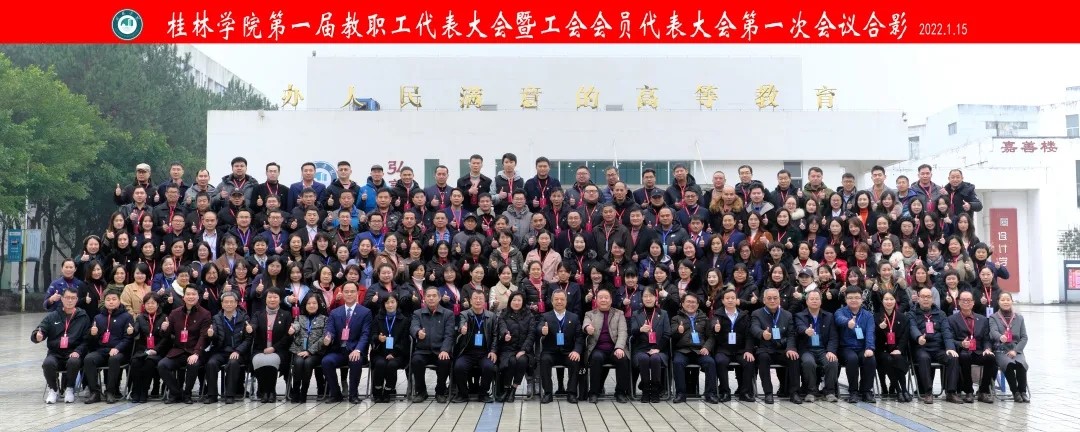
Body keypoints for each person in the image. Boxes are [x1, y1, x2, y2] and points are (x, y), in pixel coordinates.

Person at [33, 286, 91, 404]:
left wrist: (78, 351)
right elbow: (40, 329)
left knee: (73, 361)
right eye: (67, 297)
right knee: (48, 363)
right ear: (62, 299)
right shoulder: (53, 316)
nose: (70, 300)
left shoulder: (83, 317)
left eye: (73, 298)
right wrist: (38, 336)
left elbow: (86, 340)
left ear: (77, 300)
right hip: (55, 352)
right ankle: (53, 389)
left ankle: (69, 389)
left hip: (73, 351)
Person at [158, 285, 212, 404]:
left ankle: (187, 394)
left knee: (193, 364)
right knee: (162, 365)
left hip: (194, 351)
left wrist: (196, 353)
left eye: (193, 294)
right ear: (183, 296)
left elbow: (203, 336)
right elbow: (166, 334)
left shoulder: (205, 314)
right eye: (188, 294)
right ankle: (177, 393)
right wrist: (164, 329)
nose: (190, 297)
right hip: (178, 350)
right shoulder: (175, 313)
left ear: (198, 296)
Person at [908, 287, 961, 404]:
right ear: (918, 299)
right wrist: (918, 337)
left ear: (932, 299)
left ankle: (951, 392)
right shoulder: (912, 313)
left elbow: (946, 332)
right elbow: (912, 327)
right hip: (922, 347)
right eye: (923, 297)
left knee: (953, 357)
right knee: (924, 358)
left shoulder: (941, 314)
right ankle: (927, 392)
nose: (926, 299)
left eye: (928, 297)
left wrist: (950, 348)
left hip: (938, 348)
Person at [321, 282, 372, 404]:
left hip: (355, 349)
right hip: (339, 350)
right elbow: (330, 330)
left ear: (357, 293)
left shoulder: (365, 312)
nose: (349, 294)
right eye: (346, 292)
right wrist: (328, 337)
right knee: (326, 361)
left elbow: (365, 334)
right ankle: (336, 393)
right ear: (342, 293)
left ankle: (353, 395)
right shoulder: (335, 312)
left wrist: (358, 350)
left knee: (355, 360)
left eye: (352, 291)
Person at [82, 291, 134, 404]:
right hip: (102, 350)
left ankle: (110, 391)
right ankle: (95, 392)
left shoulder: (127, 317)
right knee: (89, 359)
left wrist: (118, 348)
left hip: (120, 351)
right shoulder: (98, 317)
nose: (111, 302)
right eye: (108, 300)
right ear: (104, 302)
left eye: (114, 299)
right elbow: (91, 342)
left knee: (114, 359)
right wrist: (93, 334)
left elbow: (128, 338)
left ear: (119, 301)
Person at [750, 288, 800, 404]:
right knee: (763, 358)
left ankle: (794, 392)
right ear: (764, 300)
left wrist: (790, 348)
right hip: (766, 348)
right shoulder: (757, 313)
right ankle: (768, 393)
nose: (772, 301)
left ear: (779, 299)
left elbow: (791, 334)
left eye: (775, 298)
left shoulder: (787, 315)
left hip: (782, 349)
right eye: (769, 298)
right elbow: (754, 328)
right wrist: (762, 333)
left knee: (794, 357)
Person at [947, 290, 997, 403]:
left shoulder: (982, 319)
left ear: (973, 303)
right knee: (964, 357)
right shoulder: (951, 319)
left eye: (969, 300)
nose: (966, 302)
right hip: (963, 351)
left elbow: (986, 338)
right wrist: (961, 343)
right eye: (963, 300)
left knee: (990, 357)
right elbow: (949, 339)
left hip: (978, 351)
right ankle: (968, 391)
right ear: (959, 302)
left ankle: (983, 391)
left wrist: (987, 348)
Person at [583, 288, 631, 403]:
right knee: (596, 358)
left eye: (606, 297)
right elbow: (585, 324)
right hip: (598, 348)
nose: (603, 300)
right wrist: (587, 328)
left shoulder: (619, 313)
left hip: (615, 348)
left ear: (611, 300)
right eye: (600, 298)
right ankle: (594, 392)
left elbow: (623, 332)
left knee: (622, 358)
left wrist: (619, 347)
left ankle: (620, 392)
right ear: (596, 300)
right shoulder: (590, 314)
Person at [537, 289, 584, 404]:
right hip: (550, 352)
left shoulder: (574, 317)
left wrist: (576, 351)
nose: (559, 302)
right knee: (544, 360)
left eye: (562, 299)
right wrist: (542, 331)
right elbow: (538, 328)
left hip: (567, 352)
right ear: (552, 301)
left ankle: (571, 393)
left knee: (575, 360)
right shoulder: (545, 316)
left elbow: (579, 337)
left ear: (566, 301)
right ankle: (548, 393)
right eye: (556, 299)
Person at [670, 294, 719, 403]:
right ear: (682, 304)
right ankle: (680, 394)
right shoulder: (676, 318)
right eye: (688, 301)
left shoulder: (704, 318)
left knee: (710, 362)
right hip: (683, 350)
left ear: (698, 305)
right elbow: (671, 336)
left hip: (699, 350)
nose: (691, 304)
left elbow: (711, 336)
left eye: (693, 302)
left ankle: (710, 394)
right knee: (677, 362)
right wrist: (678, 331)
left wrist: (707, 347)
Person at [452, 290, 498, 403]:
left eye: (480, 298)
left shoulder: (491, 316)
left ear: (484, 301)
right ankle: (463, 394)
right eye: (475, 298)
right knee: (459, 367)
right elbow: (461, 324)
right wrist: (462, 329)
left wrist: (493, 350)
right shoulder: (464, 314)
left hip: (485, 352)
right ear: (471, 301)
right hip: (467, 352)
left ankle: (483, 394)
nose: (478, 301)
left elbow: (495, 335)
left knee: (489, 367)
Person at [204, 291, 250, 404]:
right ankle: (212, 395)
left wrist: (238, 351)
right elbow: (215, 338)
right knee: (211, 363)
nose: (229, 304)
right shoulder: (216, 318)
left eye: (231, 302)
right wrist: (211, 335)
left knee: (233, 363)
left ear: (236, 303)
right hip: (221, 351)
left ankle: (230, 395)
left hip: (237, 352)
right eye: (226, 302)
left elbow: (248, 339)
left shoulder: (244, 317)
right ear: (222, 304)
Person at [247, 289, 293, 403]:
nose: (272, 300)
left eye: (275, 297)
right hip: (261, 349)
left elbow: (287, 336)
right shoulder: (258, 314)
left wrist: (274, 348)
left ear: (280, 299)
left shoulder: (286, 315)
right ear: (265, 299)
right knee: (258, 360)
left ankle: (271, 391)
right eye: (270, 297)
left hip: (279, 350)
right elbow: (254, 325)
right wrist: (251, 328)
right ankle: (264, 391)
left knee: (272, 360)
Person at [410, 287, 455, 403]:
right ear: (424, 298)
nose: (431, 298)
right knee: (416, 361)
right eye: (428, 296)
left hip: (440, 350)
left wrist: (445, 350)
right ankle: (421, 391)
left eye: (434, 296)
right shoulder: (417, 313)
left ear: (439, 298)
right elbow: (413, 326)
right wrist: (418, 332)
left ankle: (440, 391)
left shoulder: (448, 314)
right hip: (422, 350)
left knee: (444, 360)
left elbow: (449, 335)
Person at [834, 288, 878, 403]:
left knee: (870, 358)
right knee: (852, 359)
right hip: (846, 348)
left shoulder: (868, 315)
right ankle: (853, 391)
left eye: (857, 297)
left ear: (862, 299)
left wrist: (869, 348)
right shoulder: (840, 312)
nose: (854, 300)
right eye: (850, 298)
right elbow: (838, 319)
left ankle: (866, 391)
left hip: (862, 347)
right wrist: (847, 322)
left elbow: (870, 333)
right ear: (846, 299)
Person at [794, 290, 839, 403]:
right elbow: (799, 327)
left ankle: (829, 391)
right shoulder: (800, 316)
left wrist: (831, 351)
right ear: (807, 301)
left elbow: (833, 337)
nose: (814, 301)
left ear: (821, 301)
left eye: (817, 299)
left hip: (823, 349)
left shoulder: (829, 316)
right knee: (808, 363)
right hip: (807, 349)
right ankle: (811, 391)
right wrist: (805, 331)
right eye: (812, 299)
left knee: (832, 361)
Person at [712, 289, 755, 402]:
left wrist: (748, 350)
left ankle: (745, 392)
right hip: (724, 349)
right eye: (727, 298)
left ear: (736, 300)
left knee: (749, 361)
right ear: (723, 301)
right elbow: (712, 326)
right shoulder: (717, 314)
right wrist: (715, 329)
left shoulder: (744, 315)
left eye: (732, 298)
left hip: (740, 349)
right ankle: (725, 391)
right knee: (720, 361)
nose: (730, 300)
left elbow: (749, 335)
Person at [629, 287, 670, 403]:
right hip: (641, 349)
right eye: (645, 296)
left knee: (655, 358)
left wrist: (658, 348)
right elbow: (632, 333)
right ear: (642, 298)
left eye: (650, 296)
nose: (648, 299)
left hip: (659, 349)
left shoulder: (663, 314)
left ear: (656, 298)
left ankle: (656, 389)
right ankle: (646, 390)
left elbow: (667, 334)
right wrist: (640, 330)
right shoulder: (636, 314)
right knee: (643, 358)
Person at [129, 292, 170, 403]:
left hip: (158, 351)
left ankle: (144, 391)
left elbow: (166, 338)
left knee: (149, 363)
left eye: (153, 303)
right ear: (144, 305)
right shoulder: (140, 317)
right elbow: (136, 331)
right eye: (147, 303)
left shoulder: (164, 317)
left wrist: (155, 350)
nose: (150, 305)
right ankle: (136, 390)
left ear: (158, 304)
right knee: (135, 362)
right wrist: (131, 331)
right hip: (143, 350)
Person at [288, 292, 328, 403]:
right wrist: (293, 329)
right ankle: (296, 390)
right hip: (299, 350)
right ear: (305, 305)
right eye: (309, 303)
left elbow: (324, 338)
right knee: (298, 362)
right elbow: (296, 325)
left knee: (308, 362)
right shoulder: (299, 317)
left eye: (314, 303)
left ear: (319, 305)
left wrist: (310, 351)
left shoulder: (324, 319)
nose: (311, 305)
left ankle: (304, 391)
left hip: (316, 353)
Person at [988, 292, 1029, 403]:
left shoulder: (1019, 318)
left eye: (1008, 299)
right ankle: (1015, 392)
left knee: (1021, 364)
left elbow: (1024, 337)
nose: (1005, 302)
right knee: (1008, 364)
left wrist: (1015, 351)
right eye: (1003, 300)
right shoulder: (993, 317)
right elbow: (993, 332)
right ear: (998, 302)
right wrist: (1000, 337)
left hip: (1016, 349)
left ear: (1012, 301)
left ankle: (1023, 392)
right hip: (1001, 349)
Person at [495, 292, 535, 402]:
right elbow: (502, 327)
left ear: (523, 302)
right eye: (514, 300)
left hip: (524, 349)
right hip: (508, 348)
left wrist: (524, 350)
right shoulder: (504, 313)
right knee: (511, 361)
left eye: (519, 300)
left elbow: (531, 334)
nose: (516, 303)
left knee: (522, 361)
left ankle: (514, 388)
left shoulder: (529, 315)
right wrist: (505, 334)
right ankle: (506, 388)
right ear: (510, 301)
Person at [370, 294, 410, 403]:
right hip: (380, 352)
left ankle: (388, 390)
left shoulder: (404, 320)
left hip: (398, 353)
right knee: (380, 364)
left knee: (392, 364)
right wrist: (378, 338)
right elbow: (372, 335)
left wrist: (394, 353)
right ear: (383, 304)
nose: (390, 305)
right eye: (387, 303)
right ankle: (377, 391)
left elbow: (405, 341)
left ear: (397, 303)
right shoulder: (378, 318)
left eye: (392, 302)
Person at [875, 291, 913, 403]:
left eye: (891, 299)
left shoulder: (903, 317)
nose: (889, 302)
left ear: (895, 301)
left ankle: (904, 390)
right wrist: (879, 328)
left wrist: (899, 349)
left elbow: (905, 337)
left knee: (898, 358)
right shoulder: (876, 317)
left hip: (897, 349)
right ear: (882, 301)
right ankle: (899, 390)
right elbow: (874, 338)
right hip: (882, 350)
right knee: (888, 359)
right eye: (886, 299)